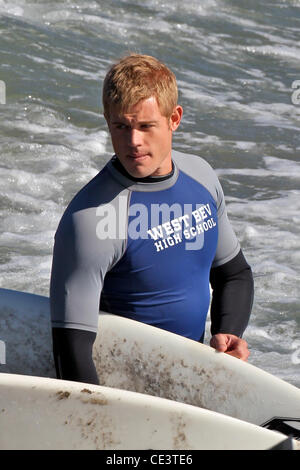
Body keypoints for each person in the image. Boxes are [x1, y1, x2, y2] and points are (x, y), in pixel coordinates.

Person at [50, 54, 254, 385]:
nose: (133, 142)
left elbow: (234, 274)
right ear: (107, 121)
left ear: (174, 118)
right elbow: (70, 350)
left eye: (146, 126)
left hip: (193, 380)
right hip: (125, 389)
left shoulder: (200, 177)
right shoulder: (91, 218)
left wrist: (227, 333)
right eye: (121, 126)